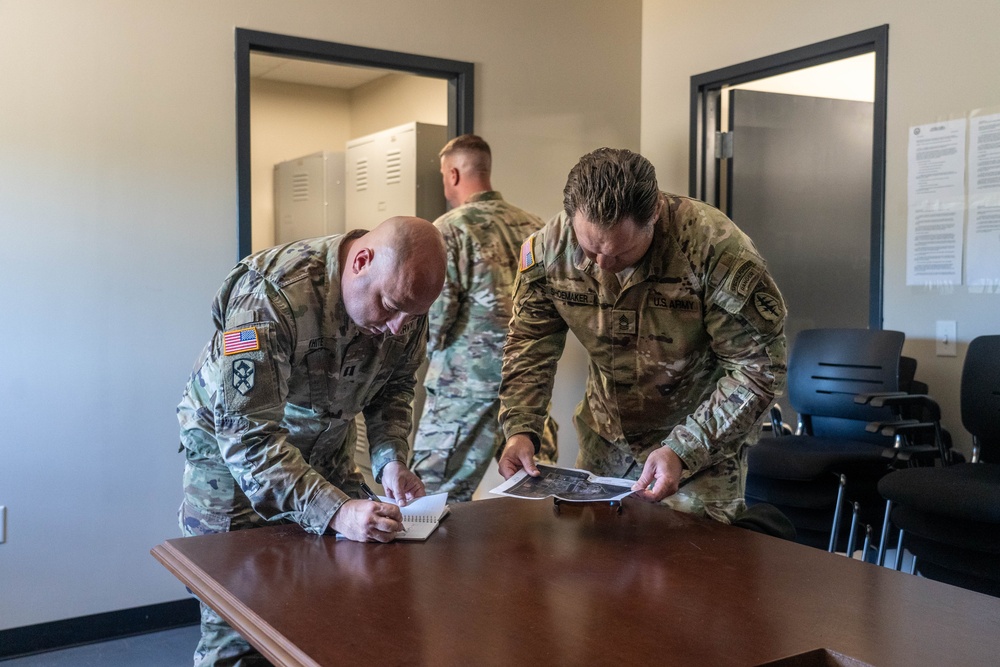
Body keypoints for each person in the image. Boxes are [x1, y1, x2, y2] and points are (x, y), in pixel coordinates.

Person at [176, 216, 446, 666]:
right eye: (390, 306)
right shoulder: (270, 297)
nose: (400, 327)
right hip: (233, 457)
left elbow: (394, 387)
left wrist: (389, 460)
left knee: (337, 598)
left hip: (325, 441)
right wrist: (337, 510)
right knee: (237, 616)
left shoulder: (404, 302)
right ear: (361, 261)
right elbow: (249, 439)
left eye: (412, 316)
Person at [497, 148, 787, 524]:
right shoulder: (548, 251)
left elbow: (760, 369)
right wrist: (521, 428)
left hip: (699, 446)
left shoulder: (714, 251)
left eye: (620, 255)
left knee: (694, 569)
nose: (601, 267)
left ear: (653, 213)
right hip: (605, 442)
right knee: (599, 566)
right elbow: (529, 347)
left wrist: (684, 449)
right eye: (589, 249)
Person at [410, 134, 557, 502]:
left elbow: (438, 321)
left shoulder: (448, 229)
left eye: (445, 175)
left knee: (429, 503)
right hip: (527, 394)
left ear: (455, 174)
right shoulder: (536, 228)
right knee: (534, 500)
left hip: (463, 395)